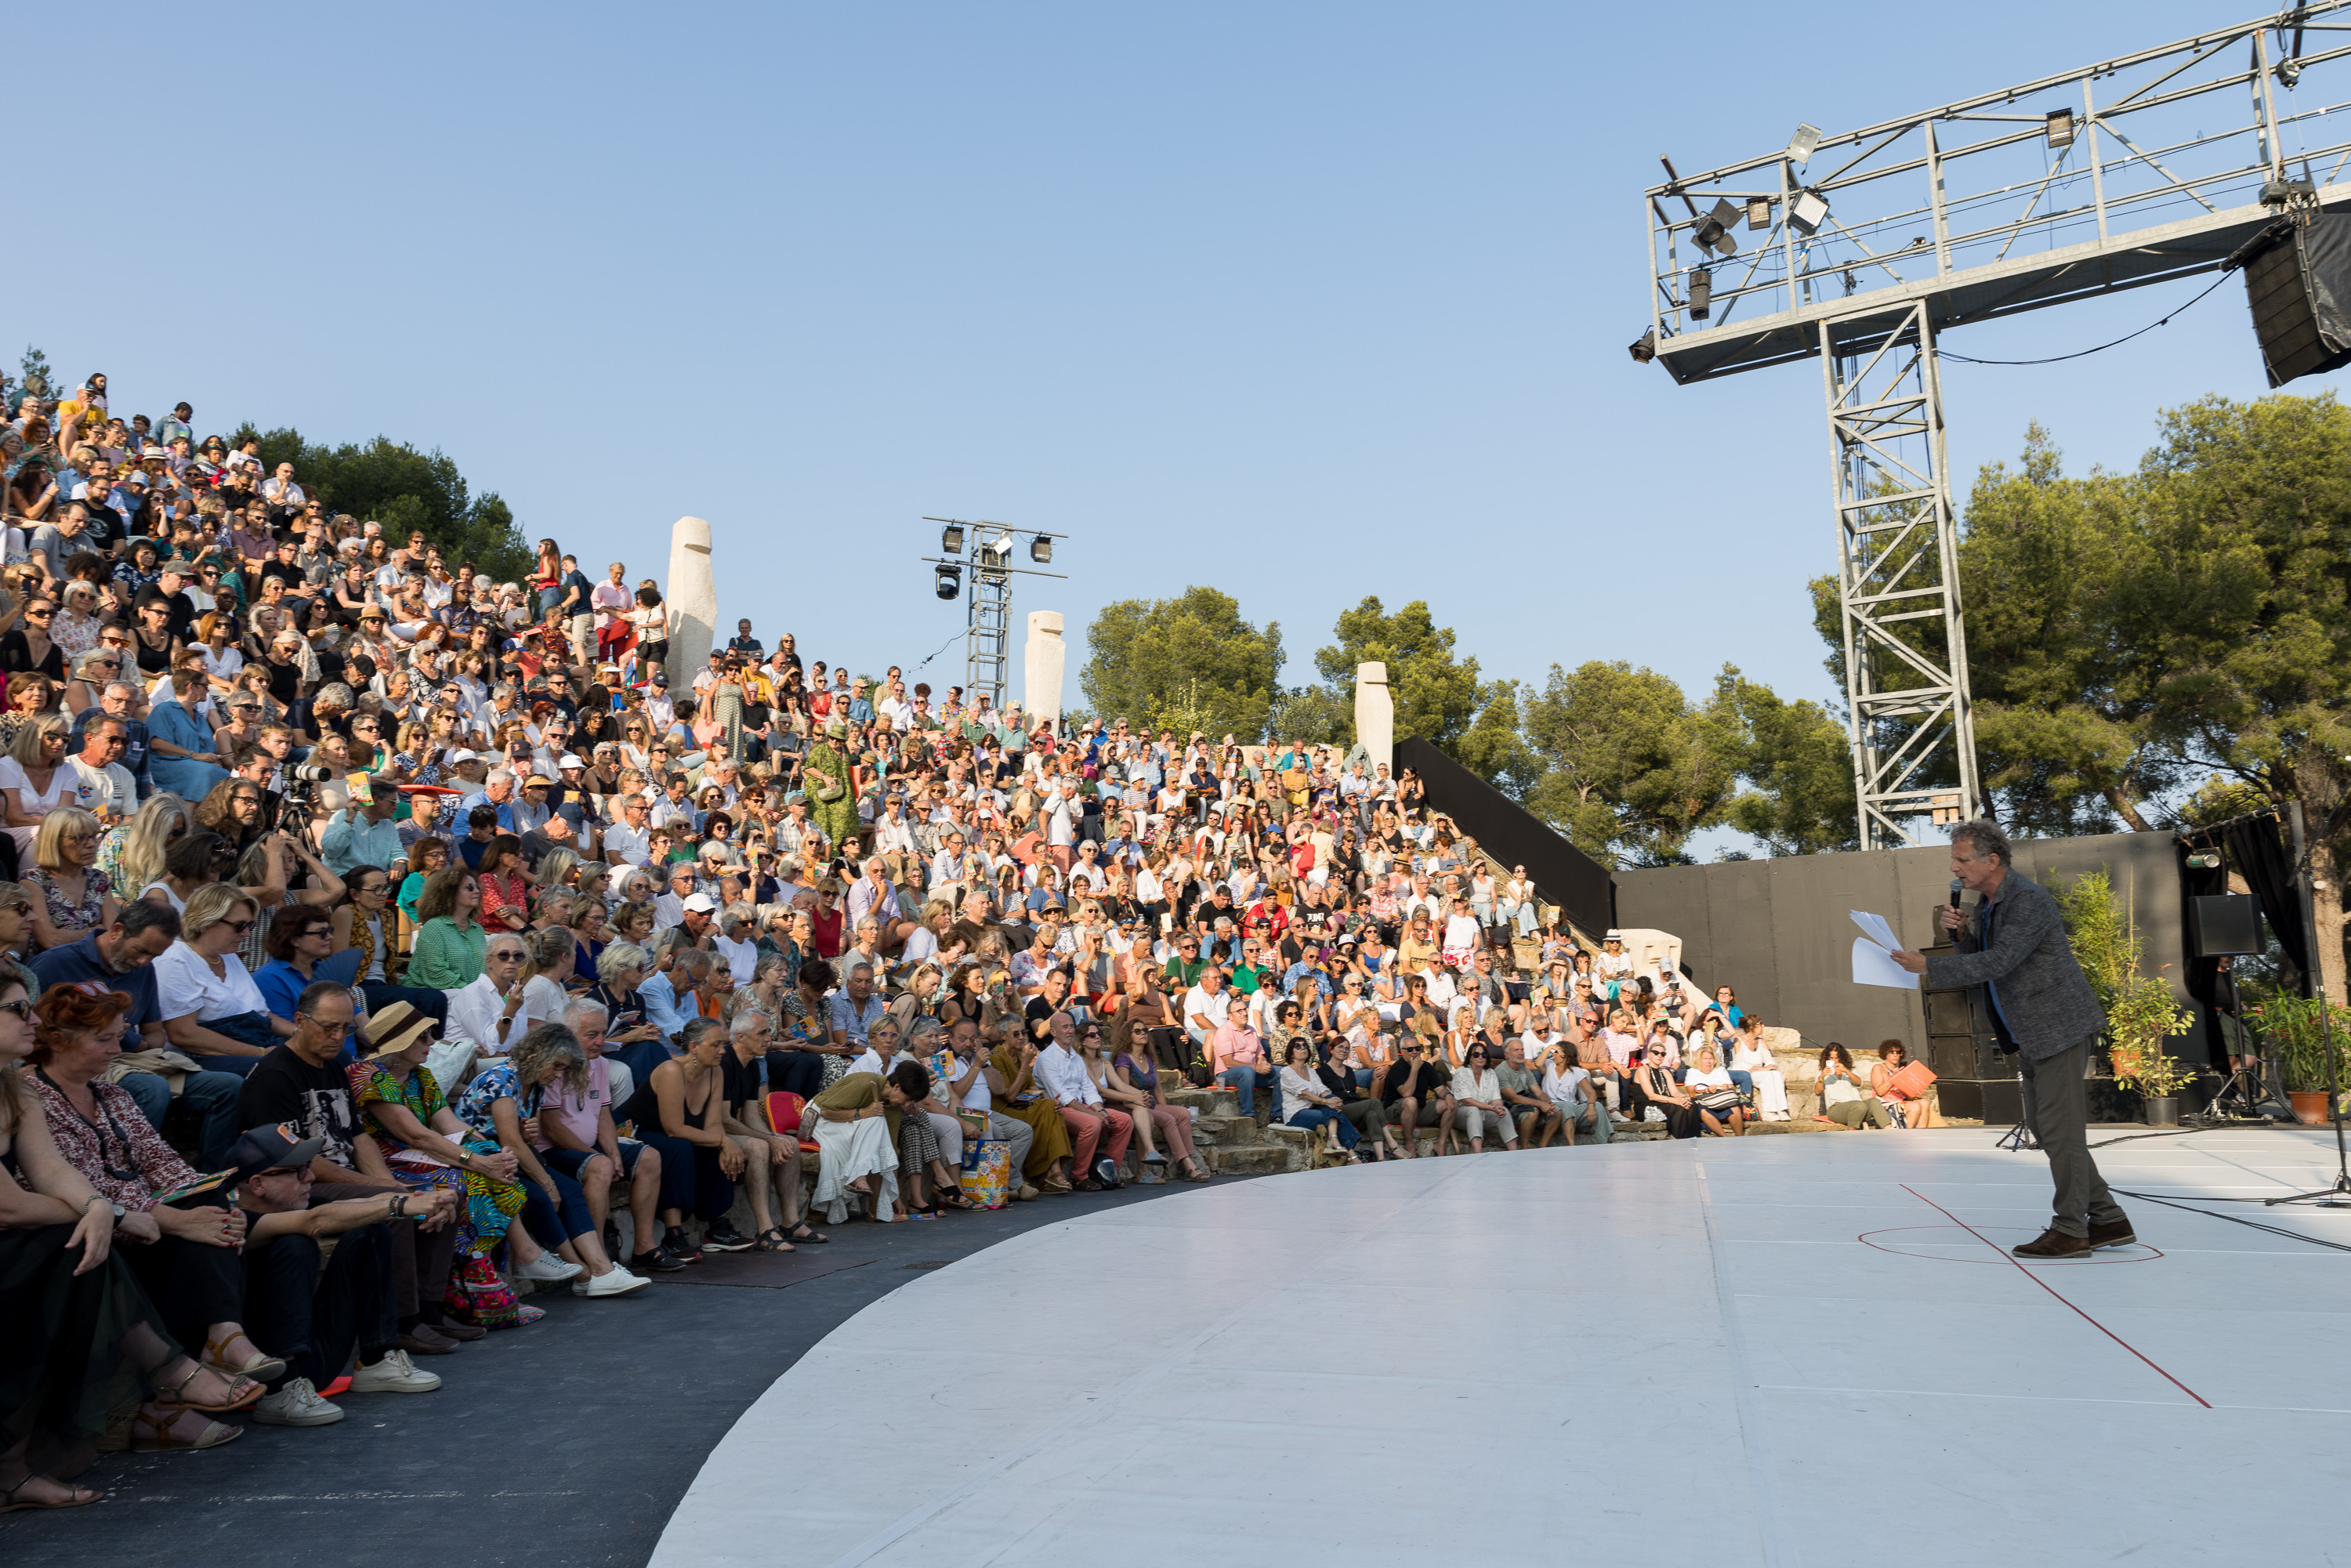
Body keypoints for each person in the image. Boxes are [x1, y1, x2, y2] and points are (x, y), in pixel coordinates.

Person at [0, 965, 268, 1500]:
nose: (29, 1018)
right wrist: (106, 1213)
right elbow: (9, 1207)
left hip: (68, 1227)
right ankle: (172, 1373)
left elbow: (55, 1173)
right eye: (15, 1009)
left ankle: (209, 1348)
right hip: (21, 1232)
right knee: (72, 1248)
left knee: (196, 1204)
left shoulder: (15, 1088)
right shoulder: (35, 1088)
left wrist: (102, 1207)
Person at [1892, 820, 2128, 1255]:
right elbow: (1983, 956)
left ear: (1992, 860)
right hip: (2033, 1032)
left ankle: (2073, 1228)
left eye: (1962, 859)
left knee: (2060, 1131)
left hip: (2059, 1027)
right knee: (2045, 1126)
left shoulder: (2027, 901)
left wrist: (1930, 966)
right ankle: (2109, 1219)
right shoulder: (1990, 903)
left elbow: (2000, 962)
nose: (1955, 867)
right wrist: (1961, 935)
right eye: (1955, 859)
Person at [237, 981, 469, 1354]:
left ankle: (429, 1309)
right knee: (393, 1206)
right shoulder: (273, 1077)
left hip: (342, 1176)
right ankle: (401, 1322)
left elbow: (358, 1137)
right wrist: (387, 1191)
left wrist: (393, 1184)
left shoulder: (333, 1066)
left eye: (345, 1028)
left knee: (444, 1196)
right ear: (299, 1020)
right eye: (327, 1026)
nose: (337, 1037)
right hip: (302, 1184)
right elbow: (300, 1161)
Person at [230, 1123, 446, 1429]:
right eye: (298, 1171)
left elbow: (354, 1206)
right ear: (258, 1183)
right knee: (295, 1243)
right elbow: (314, 1223)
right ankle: (281, 1393)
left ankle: (376, 1359)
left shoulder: (292, 1201)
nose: (312, 1177)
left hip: (315, 1361)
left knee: (369, 1229)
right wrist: (401, 1204)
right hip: (258, 1374)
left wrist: (429, 1199)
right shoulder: (232, 1219)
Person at [346, 1001, 545, 1330]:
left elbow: (450, 1124)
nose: (432, 1042)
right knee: (464, 1178)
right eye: (423, 1036)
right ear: (400, 1043)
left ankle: (489, 1273)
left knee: (487, 1159)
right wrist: (479, 1162)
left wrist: (489, 1151)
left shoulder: (420, 1076)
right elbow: (415, 1135)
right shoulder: (368, 1076)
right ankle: (482, 1283)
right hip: (385, 1162)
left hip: (422, 1154)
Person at [455, 1023, 649, 1295]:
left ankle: (600, 1267)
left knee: (569, 1191)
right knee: (541, 1194)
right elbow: (510, 1142)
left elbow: (524, 1141)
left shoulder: (533, 1085)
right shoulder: (501, 1080)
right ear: (537, 1053)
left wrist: (530, 1135)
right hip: (483, 1159)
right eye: (556, 1066)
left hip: (509, 1158)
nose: (558, 1074)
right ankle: (585, 1275)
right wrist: (546, 1182)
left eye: (563, 1069)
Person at [154, 882, 284, 1074]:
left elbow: (263, 1015)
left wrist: (302, 1034)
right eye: (239, 926)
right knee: (278, 1070)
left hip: (256, 1042)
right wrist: (261, 1053)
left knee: (322, 1055)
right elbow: (183, 1034)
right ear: (206, 922)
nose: (246, 933)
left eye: (250, 925)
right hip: (201, 1058)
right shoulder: (175, 959)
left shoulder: (228, 955)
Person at [405, 864, 489, 990]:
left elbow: (482, 972)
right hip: (434, 995)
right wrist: (471, 992)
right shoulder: (434, 927)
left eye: (478, 887)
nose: (477, 891)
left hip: (470, 995)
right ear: (450, 893)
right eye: (470, 887)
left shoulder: (477, 930)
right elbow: (435, 973)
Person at [1449, 1041, 1517, 1153]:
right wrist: (1491, 1108)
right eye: (1476, 1055)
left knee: (1504, 1111)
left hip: (1484, 1114)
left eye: (1483, 1055)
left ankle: (1514, 1152)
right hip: (1461, 1116)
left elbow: (1496, 1099)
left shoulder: (1491, 1073)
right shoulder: (1462, 1072)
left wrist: (1499, 1109)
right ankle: (1478, 1153)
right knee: (1473, 1110)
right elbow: (1467, 1101)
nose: (1480, 1057)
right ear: (1470, 1058)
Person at [1813, 1044, 1892, 1131]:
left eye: (1837, 1058)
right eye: (1831, 1058)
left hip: (1858, 1107)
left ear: (1841, 1058)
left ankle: (1889, 1131)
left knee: (1874, 1102)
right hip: (1836, 1109)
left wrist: (1846, 1071)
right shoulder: (1822, 1074)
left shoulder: (1850, 1071)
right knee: (1858, 1106)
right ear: (1827, 1059)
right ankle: (1852, 1134)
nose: (1834, 1061)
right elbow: (1818, 1092)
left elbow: (1858, 1083)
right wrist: (1822, 1077)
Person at [1729, 1017, 1789, 1121]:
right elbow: (1739, 1064)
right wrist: (1762, 1068)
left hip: (1759, 1071)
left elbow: (1769, 1060)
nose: (1763, 1026)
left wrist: (1769, 1067)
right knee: (1767, 1076)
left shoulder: (1761, 1042)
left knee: (1777, 1074)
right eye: (1760, 1024)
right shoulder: (1738, 1041)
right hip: (1746, 1073)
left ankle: (1781, 1110)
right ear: (1752, 1027)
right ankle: (1768, 1112)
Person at [1871, 1039, 1940, 1129]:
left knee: (1924, 1102)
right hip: (1887, 1104)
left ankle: (1922, 1134)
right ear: (1885, 1053)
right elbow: (1880, 1092)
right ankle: (1906, 1135)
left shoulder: (1902, 1070)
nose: (1895, 1055)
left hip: (1902, 1101)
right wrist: (1893, 1078)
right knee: (1915, 1106)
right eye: (1892, 1052)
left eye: (1898, 1052)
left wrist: (1915, 1094)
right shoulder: (1879, 1068)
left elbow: (1908, 1096)